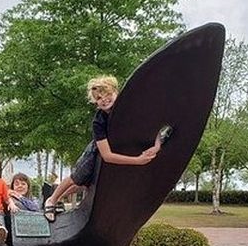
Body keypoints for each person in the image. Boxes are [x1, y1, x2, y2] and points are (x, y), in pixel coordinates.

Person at [43, 75, 173, 221]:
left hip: (124, 145)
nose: (104, 100)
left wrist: (156, 145)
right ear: (96, 102)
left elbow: (151, 127)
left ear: (116, 93)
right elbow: (107, 155)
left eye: (108, 95)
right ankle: (52, 199)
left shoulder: (131, 109)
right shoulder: (99, 121)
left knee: (88, 183)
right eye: (99, 98)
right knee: (79, 176)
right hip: (99, 149)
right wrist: (138, 160)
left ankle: (60, 197)